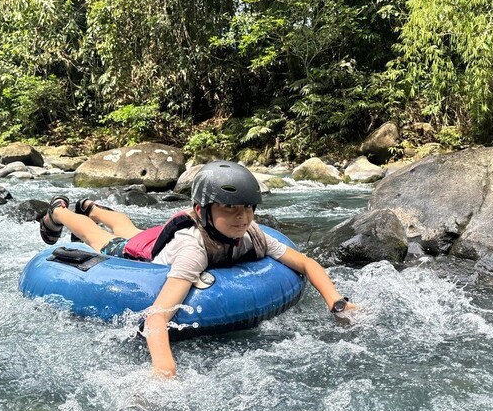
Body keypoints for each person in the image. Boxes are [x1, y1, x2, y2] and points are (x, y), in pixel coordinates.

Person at [39, 160, 356, 377]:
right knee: (104, 238)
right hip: (146, 256)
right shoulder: (195, 251)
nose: (241, 217)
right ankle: (60, 212)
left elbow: (304, 262)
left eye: (247, 208)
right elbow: (157, 315)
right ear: (203, 212)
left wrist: (336, 302)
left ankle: (91, 206)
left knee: (130, 228)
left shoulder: (252, 234)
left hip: (163, 240)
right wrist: (165, 370)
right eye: (229, 208)